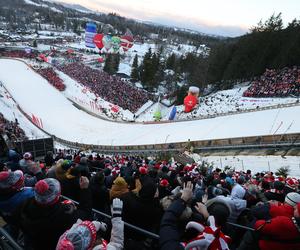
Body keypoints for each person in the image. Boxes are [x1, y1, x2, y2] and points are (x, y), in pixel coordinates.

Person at [11, 177, 92, 250]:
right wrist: (85, 190)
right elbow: (85, 214)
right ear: (57, 195)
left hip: (35, 243)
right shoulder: (65, 215)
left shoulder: (24, 205)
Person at [56, 198, 124, 250]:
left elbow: (77, 226)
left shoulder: (64, 241)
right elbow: (116, 244)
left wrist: (96, 224)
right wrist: (117, 218)